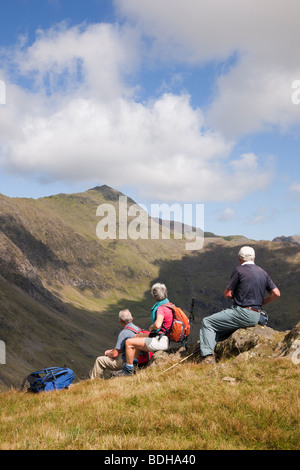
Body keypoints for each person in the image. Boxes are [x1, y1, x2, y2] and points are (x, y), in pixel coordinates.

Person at [199, 246, 281, 364]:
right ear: (254, 257)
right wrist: (261, 302)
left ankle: (207, 357)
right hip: (257, 315)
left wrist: (237, 297)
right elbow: (276, 293)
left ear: (239, 258)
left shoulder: (239, 271)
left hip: (242, 312)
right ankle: (211, 350)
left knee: (208, 322)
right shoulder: (262, 272)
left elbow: (227, 294)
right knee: (221, 331)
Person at [120, 283, 173, 376]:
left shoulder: (161, 308)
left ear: (154, 297)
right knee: (135, 336)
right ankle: (135, 366)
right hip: (163, 337)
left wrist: (152, 327)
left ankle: (128, 371)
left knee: (128, 342)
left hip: (160, 341)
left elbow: (157, 325)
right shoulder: (169, 304)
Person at [89, 309, 142, 379]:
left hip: (127, 361)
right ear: (132, 318)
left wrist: (108, 354)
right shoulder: (138, 329)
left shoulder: (124, 333)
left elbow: (115, 354)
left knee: (100, 360)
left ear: (120, 321)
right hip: (138, 360)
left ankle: (93, 382)